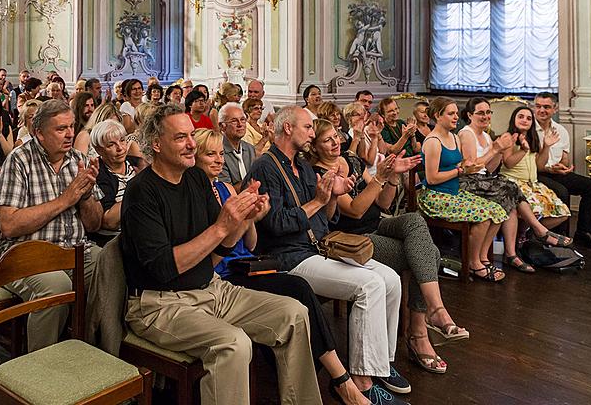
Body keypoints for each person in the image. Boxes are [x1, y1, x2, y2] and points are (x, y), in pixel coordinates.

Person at [121, 104, 324, 405]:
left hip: (212, 289)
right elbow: (164, 268)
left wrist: (246, 217)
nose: (192, 143)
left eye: (192, 135)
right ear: (156, 145)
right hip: (160, 303)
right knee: (234, 344)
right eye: (181, 138)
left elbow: (220, 250)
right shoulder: (141, 192)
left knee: (294, 314)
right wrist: (222, 226)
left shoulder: (196, 178)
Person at [243, 106, 410, 404]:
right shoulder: (265, 167)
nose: (311, 132)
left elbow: (326, 220)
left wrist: (331, 198)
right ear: (287, 129)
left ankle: (381, 364)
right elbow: (277, 224)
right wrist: (320, 200)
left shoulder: (303, 166)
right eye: (307, 127)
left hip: (317, 246)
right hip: (288, 257)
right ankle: (362, 380)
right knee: (368, 285)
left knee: (391, 278)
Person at [193, 129, 369, 405]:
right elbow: (213, 252)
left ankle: (340, 378)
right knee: (297, 287)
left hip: (248, 262)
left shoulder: (227, 189)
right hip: (225, 273)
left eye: (219, 154)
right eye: (209, 154)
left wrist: (250, 219)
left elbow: (250, 243)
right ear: (195, 157)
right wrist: (236, 222)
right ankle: (341, 380)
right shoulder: (196, 193)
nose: (218, 160)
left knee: (298, 293)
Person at [308, 119, 467, 375]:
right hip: (352, 238)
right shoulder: (319, 172)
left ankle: (432, 314)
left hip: (378, 224)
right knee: (430, 254)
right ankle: (420, 330)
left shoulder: (351, 161)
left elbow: (382, 203)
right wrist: (380, 177)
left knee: (415, 220)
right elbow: (356, 211)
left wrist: (392, 177)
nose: (336, 142)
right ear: (314, 146)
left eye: (336, 136)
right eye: (327, 140)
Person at [0, 99, 104, 352]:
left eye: (71, 127)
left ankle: (90, 350)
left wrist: (85, 196)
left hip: (74, 250)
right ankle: (40, 368)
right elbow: (8, 225)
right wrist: (66, 199)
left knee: (113, 267)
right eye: (60, 129)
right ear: (39, 133)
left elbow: (95, 224)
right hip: (25, 253)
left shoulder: (78, 160)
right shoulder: (19, 161)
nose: (70, 134)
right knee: (56, 288)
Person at [457, 98, 567, 273]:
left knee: (506, 201)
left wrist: (498, 151)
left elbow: (489, 169)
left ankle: (488, 256)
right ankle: (536, 233)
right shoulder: (467, 133)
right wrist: (497, 149)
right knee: (510, 189)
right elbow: (471, 168)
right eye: (480, 113)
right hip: (468, 182)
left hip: (483, 180)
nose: (485, 116)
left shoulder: (485, 135)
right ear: (470, 115)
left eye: (488, 112)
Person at [418, 97, 508, 282]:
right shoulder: (433, 141)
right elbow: (432, 178)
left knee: (499, 211)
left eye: (455, 113)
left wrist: (470, 165)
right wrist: (460, 171)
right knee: (483, 217)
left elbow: (461, 165)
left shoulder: (454, 137)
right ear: (437, 115)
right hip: (435, 196)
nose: (455, 117)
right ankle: (473, 264)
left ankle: (482, 257)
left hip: (454, 192)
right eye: (450, 113)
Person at [533, 93, 591, 251]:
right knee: (562, 192)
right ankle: (559, 237)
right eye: (538, 106)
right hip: (536, 172)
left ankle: (585, 234)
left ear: (555, 109)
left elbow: (565, 159)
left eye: (546, 107)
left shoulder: (561, 130)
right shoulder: (529, 129)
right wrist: (549, 168)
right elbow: (532, 164)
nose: (541, 110)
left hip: (555, 171)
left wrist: (563, 167)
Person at [500, 106, 572, 245]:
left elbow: (540, 165)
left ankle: (528, 233)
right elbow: (508, 163)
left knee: (563, 214)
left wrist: (546, 147)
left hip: (532, 183)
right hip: (512, 182)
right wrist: (523, 150)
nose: (524, 120)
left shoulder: (533, 138)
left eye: (528, 118)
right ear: (513, 119)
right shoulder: (508, 137)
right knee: (535, 210)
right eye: (520, 116)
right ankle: (528, 234)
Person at [88, 119, 139, 247]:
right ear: (99, 150)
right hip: (115, 241)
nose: (120, 148)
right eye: (111, 145)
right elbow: (109, 222)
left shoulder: (137, 164)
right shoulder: (98, 174)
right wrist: (139, 188)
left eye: (122, 140)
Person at [218, 102, 256, 190]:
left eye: (243, 119)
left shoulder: (250, 149)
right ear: (222, 126)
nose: (240, 124)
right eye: (234, 121)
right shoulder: (218, 152)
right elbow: (226, 192)